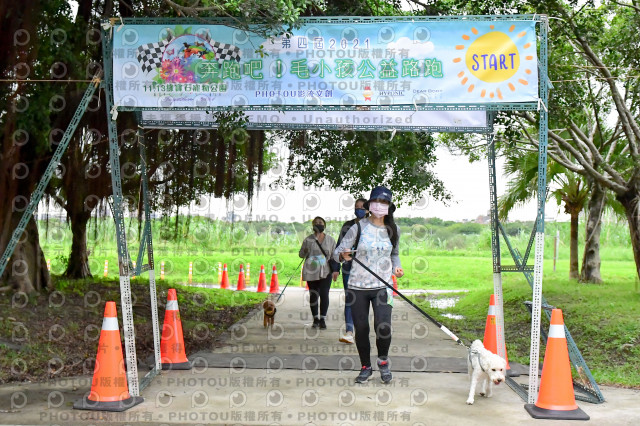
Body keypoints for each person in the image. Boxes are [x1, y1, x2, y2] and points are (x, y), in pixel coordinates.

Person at [333, 186, 404, 384]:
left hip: (383, 286)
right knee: (361, 328)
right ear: (369, 205)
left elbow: (394, 254)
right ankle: (365, 366)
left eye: (384, 202)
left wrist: (396, 268)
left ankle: (383, 361)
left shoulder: (393, 229)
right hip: (357, 286)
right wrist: (343, 256)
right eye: (377, 201)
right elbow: (337, 252)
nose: (380, 205)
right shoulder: (358, 228)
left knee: (383, 326)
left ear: (389, 206)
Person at [334, 198, 368, 344]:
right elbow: (339, 247)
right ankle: (349, 331)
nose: (359, 209)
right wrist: (336, 267)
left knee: (364, 300)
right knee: (350, 298)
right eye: (356, 207)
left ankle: (362, 330)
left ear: (368, 210)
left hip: (367, 269)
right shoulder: (348, 226)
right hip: (349, 267)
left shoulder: (372, 226)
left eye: (362, 207)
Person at [299, 216, 339, 329]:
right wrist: (305, 251)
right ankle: (315, 319)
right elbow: (301, 255)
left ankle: (323, 319)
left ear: (324, 225)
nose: (318, 224)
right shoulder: (308, 240)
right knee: (313, 295)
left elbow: (335, 256)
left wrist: (336, 270)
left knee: (324, 294)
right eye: (316, 223)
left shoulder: (330, 240)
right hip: (311, 271)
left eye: (320, 222)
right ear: (313, 226)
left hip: (326, 271)